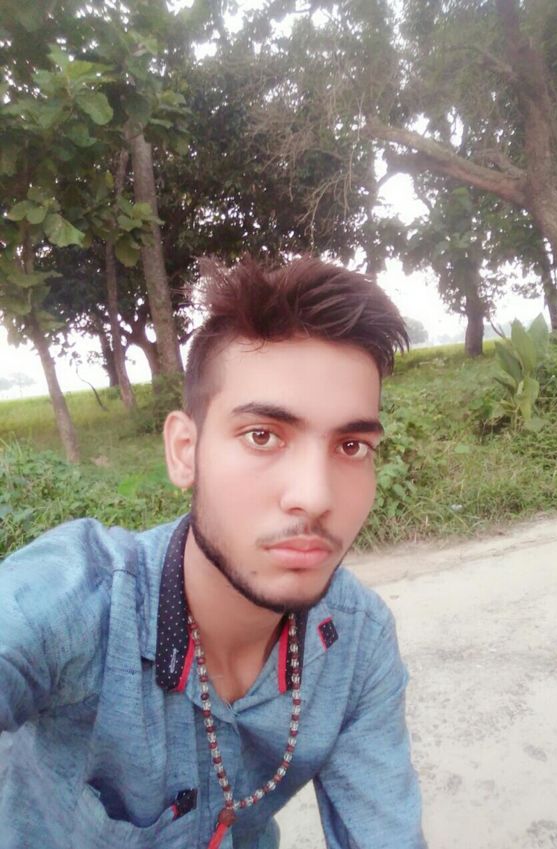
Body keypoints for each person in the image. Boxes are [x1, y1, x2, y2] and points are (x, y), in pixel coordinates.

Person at [0, 256, 427, 849]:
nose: (315, 497)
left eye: (351, 446)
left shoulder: (356, 643)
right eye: (262, 436)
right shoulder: (84, 600)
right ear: (185, 451)